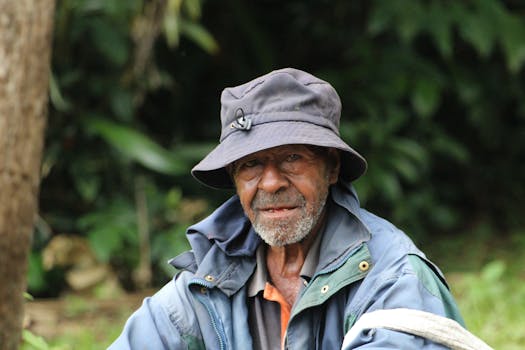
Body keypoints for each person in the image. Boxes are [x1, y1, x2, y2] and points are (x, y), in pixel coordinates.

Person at [109, 68, 465, 349]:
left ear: (332, 168)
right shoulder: (212, 277)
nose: (270, 183)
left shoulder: (394, 279)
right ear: (234, 178)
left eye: (292, 157)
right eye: (250, 165)